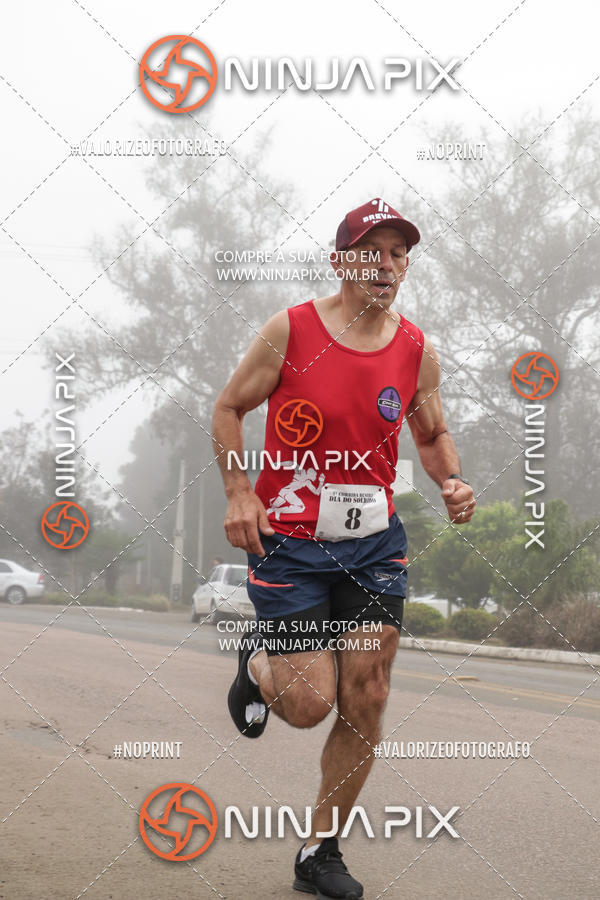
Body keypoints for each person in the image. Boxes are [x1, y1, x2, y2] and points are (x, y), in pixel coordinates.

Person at [212, 198, 476, 899]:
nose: (385, 265)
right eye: (370, 251)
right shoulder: (291, 331)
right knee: (307, 705)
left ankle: (318, 852)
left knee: (369, 693)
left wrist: (451, 479)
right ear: (340, 261)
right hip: (289, 545)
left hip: (373, 547)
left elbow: (430, 431)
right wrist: (241, 492)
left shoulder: (415, 348)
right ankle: (258, 662)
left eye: (397, 253)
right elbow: (228, 408)